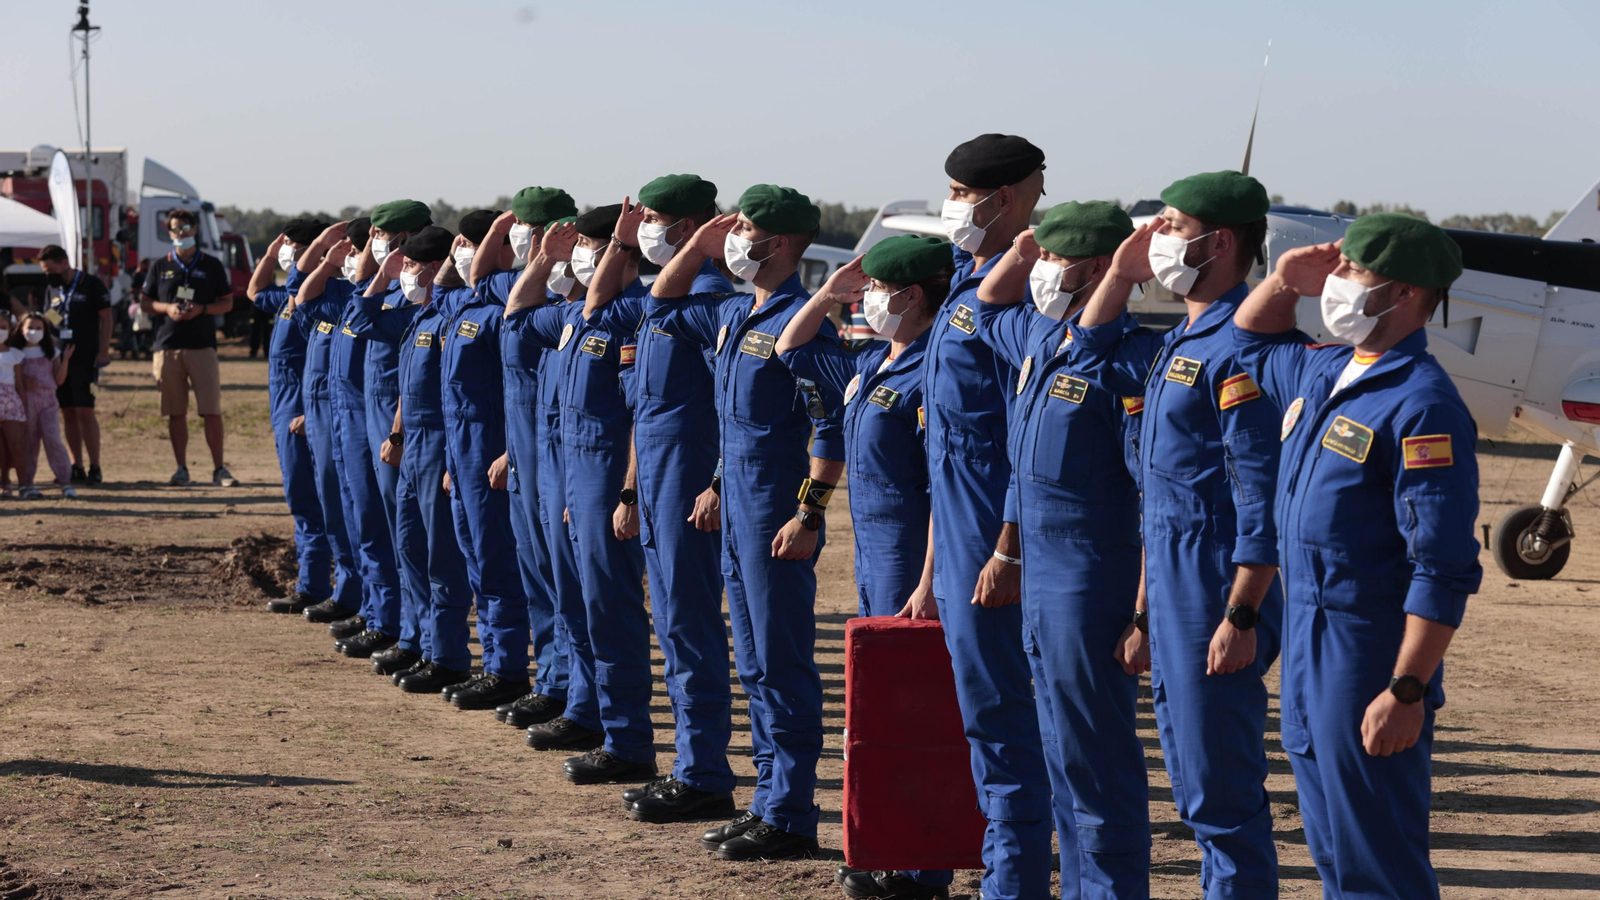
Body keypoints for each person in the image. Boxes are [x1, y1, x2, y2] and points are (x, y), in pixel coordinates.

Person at [1231, 214, 1481, 898]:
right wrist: (1286, 278)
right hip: (1311, 639)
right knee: (1334, 848)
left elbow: (1444, 566)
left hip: (1366, 645)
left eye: (1352, 273)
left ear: (1401, 295)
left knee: (1378, 855)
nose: (1335, 283)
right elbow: (1249, 339)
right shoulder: (1330, 368)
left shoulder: (1422, 404)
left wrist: (1407, 690)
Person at [1071, 170, 1285, 899]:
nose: (1155, 239)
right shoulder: (1181, 338)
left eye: (1169, 225)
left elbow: (1261, 496)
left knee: (1219, 791)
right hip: (1170, 583)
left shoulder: (1243, 344)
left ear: (1218, 242)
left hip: (1215, 583)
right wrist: (1143, 611)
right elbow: (1088, 345)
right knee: (1196, 784)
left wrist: (1242, 612)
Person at [647, 185, 844, 862]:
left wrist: (809, 513)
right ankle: (767, 800)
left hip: (775, 509)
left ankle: (791, 813)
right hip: (736, 500)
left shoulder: (805, 323)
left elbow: (830, 423)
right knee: (754, 662)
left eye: (749, 230)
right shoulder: (734, 313)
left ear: (784, 244)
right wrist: (701, 245)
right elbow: (663, 305)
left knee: (781, 660)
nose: (737, 240)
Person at [974, 203, 1151, 897]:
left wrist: (1142, 613)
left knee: (1098, 763)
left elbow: (1152, 499)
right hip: (1044, 576)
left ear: (1105, 270)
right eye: (1043, 260)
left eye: (1058, 260)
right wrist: (1023, 249)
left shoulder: (1131, 363)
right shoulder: (1042, 340)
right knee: (1061, 758)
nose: (1042, 272)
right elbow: (988, 306)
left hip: (1093, 575)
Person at [775, 235, 950, 900]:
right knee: (882, 712)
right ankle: (895, 851)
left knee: (918, 712)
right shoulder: (876, 360)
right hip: (876, 552)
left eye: (877, 287)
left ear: (912, 296)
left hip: (912, 554)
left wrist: (931, 581)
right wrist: (828, 292)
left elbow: (945, 489)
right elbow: (790, 351)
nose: (867, 296)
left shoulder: (933, 370)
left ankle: (922, 869)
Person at [921, 134, 1053, 900]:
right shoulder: (968, 287)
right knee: (976, 717)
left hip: (994, 539)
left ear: (1006, 200)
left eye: (962, 195)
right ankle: (998, 871)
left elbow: (1025, 440)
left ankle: (1016, 883)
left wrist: (1006, 548)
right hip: (958, 530)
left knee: (1003, 721)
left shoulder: (1024, 299)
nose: (952, 207)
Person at [582, 175, 738, 823]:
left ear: (688, 227)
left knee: (691, 626)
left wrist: (721, 482)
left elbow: (738, 405)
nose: (644, 226)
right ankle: (688, 767)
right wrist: (620, 245)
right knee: (672, 625)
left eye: (652, 219)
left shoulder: (710, 301)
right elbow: (594, 306)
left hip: (692, 479)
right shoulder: (652, 300)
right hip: (656, 479)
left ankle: (703, 773)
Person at [507, 206, 659, 785]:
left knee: (608, 609)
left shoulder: (637, 315)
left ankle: (627, 739)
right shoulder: (572, 317)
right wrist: (544, 258)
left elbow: (642, 416)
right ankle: (586, 711)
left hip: (605, 474)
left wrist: (626, 489)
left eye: (593, 249)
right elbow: (517, 317)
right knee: (570, 599)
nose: (582, 258)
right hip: (566, 472)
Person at [398, 220, 533, 712]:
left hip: (490, 446)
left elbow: (518, 393)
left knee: (497, 563)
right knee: (474, 561)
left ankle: (507, 669)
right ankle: (486, 662)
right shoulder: (459, 305)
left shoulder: (504, 310)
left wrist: (505, 452)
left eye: (469, 248)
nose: (461, 256)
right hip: (461, 449)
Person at [472, 188, 586, 734]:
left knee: (566, 583)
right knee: (538, 575)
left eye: (528, 228)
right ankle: (551, 680)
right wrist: (503, 232)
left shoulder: (575, 301)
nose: (520, 237)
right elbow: (479, 278)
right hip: (525, 451)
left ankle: (570, 690)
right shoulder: (527, 289)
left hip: (561, 459)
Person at [369, 226, 478, 694]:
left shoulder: (451, 315)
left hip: (439, 443)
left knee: (441, 557)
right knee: (410, 546)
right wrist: (396, 432)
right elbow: (364, 318)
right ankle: (424, 644)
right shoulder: (419, 315)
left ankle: (449, 656)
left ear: (436, 268)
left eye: (411, 265)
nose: (403, 273)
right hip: (413, 442)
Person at [329, 199, 431, 660]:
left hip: (398, 423)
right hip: (371, 416)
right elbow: (355, 314)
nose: (376, 246)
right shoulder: (389, 287)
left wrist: (385, 274)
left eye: (382, 238)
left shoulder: (415, 293)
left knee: (407, 536)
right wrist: (377, 271)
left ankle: (411, 632)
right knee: (375, 522)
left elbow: (411, 374)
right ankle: (384, 616)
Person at [287, 219, 370, 634]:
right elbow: (299, 297)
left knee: (365, 516)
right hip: (327, 414)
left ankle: (370, 604)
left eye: (358, 249)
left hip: (356, 416)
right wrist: (324, 254)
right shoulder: (337, 295)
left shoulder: (374, 300)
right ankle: (350, 594)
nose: (353, 256)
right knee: (334, 507)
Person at [246, 218, 333, 615]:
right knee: (299, 498)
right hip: (283, 406)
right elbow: (253, 290)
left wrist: (304, 410)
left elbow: (320, 365)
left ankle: (315, 585)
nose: (289, 253)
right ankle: (310, 584)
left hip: (300, 408)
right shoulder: (286, 297)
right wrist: (270, 252)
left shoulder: (316, 299)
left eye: (297, 247)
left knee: (310, 499)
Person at [139, 208, 237, 488]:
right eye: (175, 229)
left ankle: (219, 469)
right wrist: (167, 308)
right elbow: (146, 303)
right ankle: (181, 469)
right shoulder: (160, 265)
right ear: (168, 233)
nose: (180, 233)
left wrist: (202, 309)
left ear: (195, 230)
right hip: (167, 346)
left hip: (202, 347)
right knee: (175, 412)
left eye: (185, 228)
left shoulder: (212, 264)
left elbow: (227, 303)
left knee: (210, 411)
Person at [32, 244, 111, 486]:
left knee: (85, 411)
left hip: (87, 359)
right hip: (60, 359)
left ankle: (94, 466)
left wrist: (104, 350)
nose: (49, 274)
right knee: (67, 412)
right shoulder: (52, 288)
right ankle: (76, 466)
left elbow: (106, 318)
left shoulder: (91, 284)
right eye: (45, 270)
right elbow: (51, 317)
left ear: (64, 263)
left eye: (51, 269)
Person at [11, 314, 77, 499]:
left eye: (39, 328)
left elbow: (59, 380)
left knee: (53, 439)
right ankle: (28, 483)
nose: (34, 331)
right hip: (26, 404)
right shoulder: (16, 353)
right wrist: (23, 383)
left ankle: (65, 481)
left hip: (48, 403)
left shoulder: (51, 352)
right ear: (21, 329)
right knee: (29, 443)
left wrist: (65, 360)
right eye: (30, 327)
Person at [0, 314, 26, 495]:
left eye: (3, 327)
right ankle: (4, 482)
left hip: (11, 404)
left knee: (15, 444)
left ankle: (24, 484)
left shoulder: (15, 355)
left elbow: (20, 385)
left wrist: (24, 407)